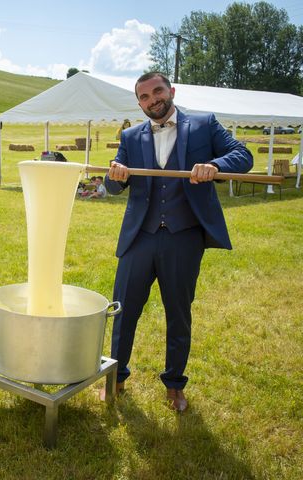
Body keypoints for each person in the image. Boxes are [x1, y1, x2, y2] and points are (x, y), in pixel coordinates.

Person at [102, 73, 253, 411]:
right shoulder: (129, 136)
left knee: (178, 314)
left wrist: (214, 165)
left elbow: (243, 156)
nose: (152, 99)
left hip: (183, 238)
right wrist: (114, 176)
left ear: (171, 91)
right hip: (139, 238)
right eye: (144, 96)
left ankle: (174, 385)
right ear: (139, 103)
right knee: (123, 312)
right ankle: (117, 377)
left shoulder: (203, 124)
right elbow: (112, 187)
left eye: (157, 91)